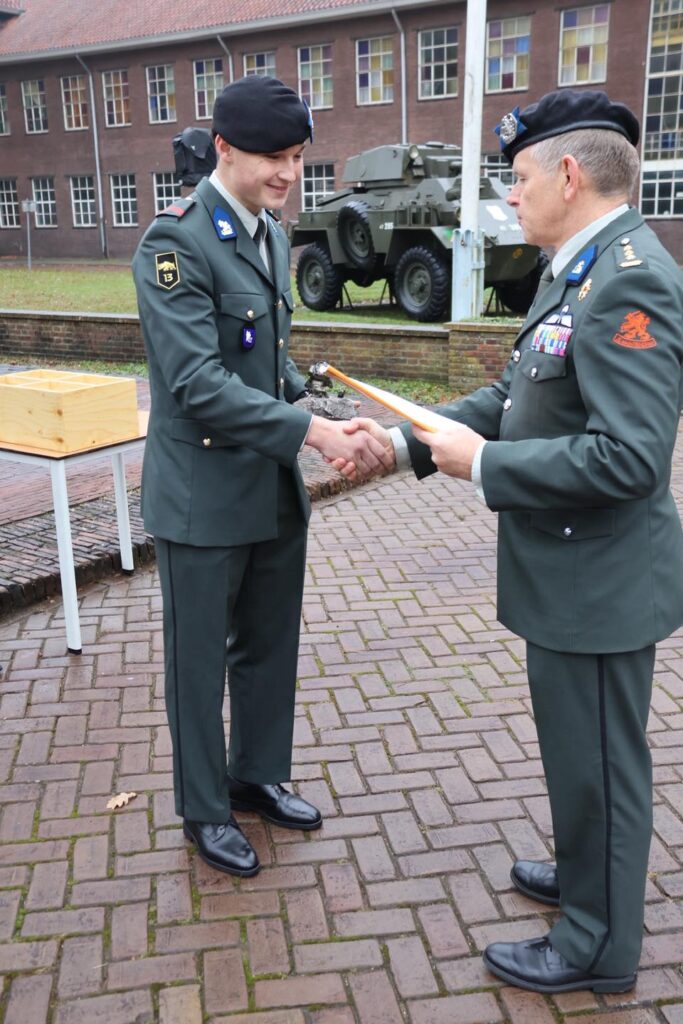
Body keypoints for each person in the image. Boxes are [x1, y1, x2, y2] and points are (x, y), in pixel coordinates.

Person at [345, 89, 683, 992]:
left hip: (598, 583)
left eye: (520, 177)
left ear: (568, 175)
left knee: (600, 766)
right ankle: (583, 877)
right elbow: (518, 396)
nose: (511, 195)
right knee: (576, 755)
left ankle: (596, 947)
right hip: (572, 574)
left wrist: (486, 466)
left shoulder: (628, 279)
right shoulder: (578, 269)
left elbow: (629, 458)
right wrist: (406, 441)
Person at [132, 75, 392, 878]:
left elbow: (267, 361)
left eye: (298, 156)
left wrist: (318, 410)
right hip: (203, 493)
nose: (288, 172)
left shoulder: (272, 237)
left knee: (269, 644)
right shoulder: (175, 243)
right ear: (223, 148)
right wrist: (311, 432)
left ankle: (255, 775)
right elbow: (197, 384)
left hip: (269, 485)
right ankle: (205, 809)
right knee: (199, 661)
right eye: (273, 156)